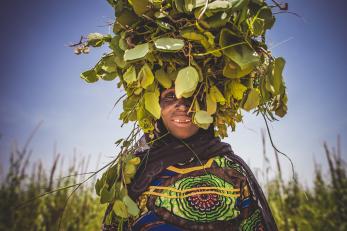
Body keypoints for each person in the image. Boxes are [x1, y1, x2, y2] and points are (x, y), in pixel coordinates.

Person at [102, 87, 278, 231]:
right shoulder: (133, 171)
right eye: (170, 96)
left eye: (192, 96)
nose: (182, 106)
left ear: (207, 107)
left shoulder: (232, 170)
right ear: (156, 108)